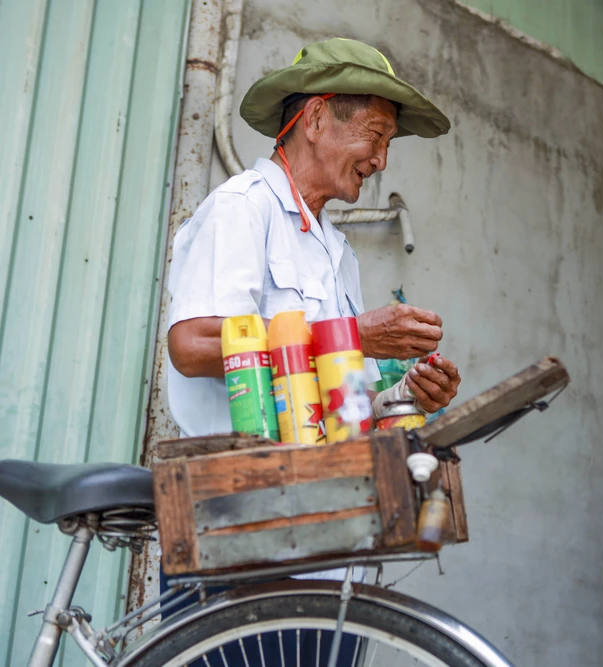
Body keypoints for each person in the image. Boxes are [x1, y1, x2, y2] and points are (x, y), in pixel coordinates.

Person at [162, 37, 462, 666]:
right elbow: (191, 346)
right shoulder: (244, 209)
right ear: (317, 117)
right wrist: (354, 337)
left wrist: (402, 395)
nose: (381, 160)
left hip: (324, 535)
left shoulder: (335, 250)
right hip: (240, 528)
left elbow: (331, 393)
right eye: (375, 135)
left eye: (388, 145)